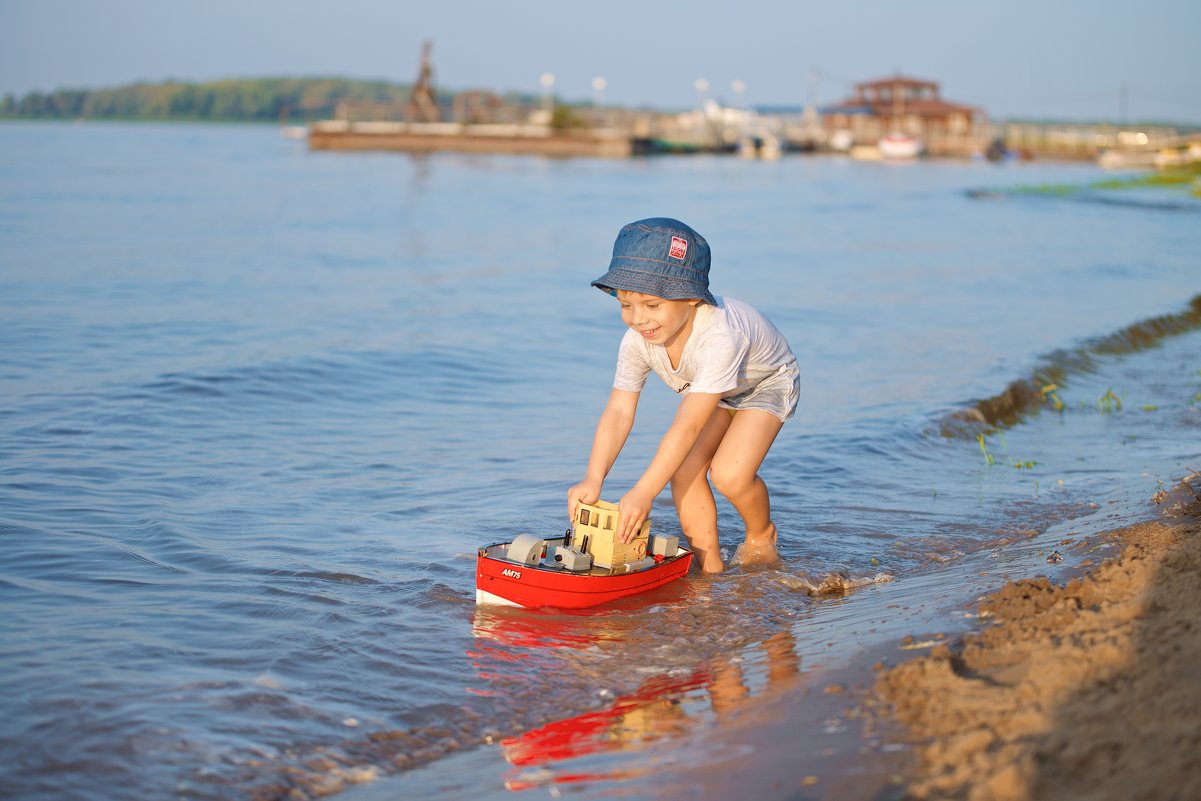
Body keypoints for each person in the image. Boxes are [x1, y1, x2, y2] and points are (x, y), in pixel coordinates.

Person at [567, 218, 799, 573]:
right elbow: (618, 412)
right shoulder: (637, 343)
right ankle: (711, 569)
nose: (638, 319)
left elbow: (688, 425)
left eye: (651, 305)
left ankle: (761, 535)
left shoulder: (720, 339)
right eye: (626, 304)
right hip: (716, 391)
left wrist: (643, 493)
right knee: (683, 471)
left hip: (765, 382)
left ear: (690, 298)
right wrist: (594, 476)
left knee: (729, 475)